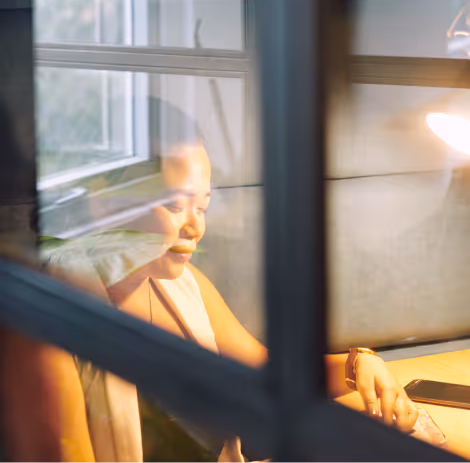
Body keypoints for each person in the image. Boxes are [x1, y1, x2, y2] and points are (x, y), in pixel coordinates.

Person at [40, 99, 418, 462]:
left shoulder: (185, 286)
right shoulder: (55, 308)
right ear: (105, 203)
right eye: (175, 205)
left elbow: (264, 373)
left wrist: (356, 365)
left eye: (202, 206)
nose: (196, 226)